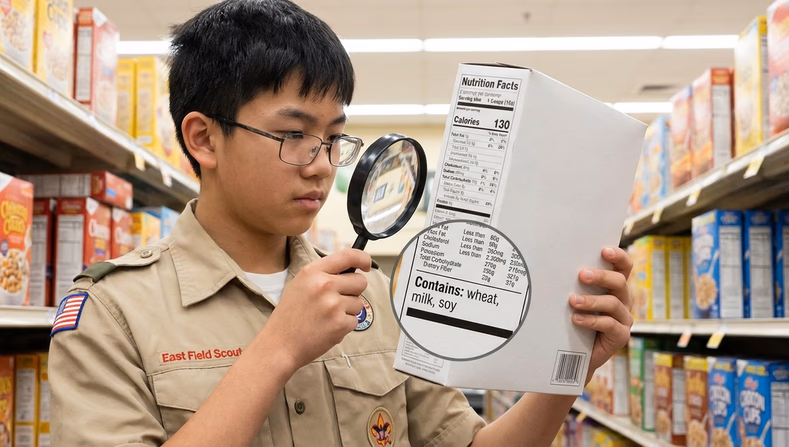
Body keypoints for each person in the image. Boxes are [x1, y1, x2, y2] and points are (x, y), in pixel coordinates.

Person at [48, 1, 634, 446]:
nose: (323, 166)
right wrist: (277, 349)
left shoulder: (373, 295)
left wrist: (566, 367)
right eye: (294, 135)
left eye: (333, 138)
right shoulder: (110, 311)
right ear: (204, 137)